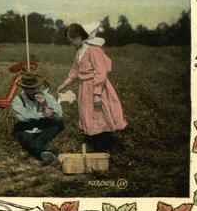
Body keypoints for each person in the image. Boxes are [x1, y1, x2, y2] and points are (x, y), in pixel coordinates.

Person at [57, 23, 126, 152]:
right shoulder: (80, 50)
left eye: (72, 40)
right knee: (89, 117)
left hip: (96, 86)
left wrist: (97, 94)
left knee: (99, 116)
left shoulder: (94, 49)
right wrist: (66, 83)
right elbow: (75, 70)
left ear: (79, 37)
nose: (71, 43)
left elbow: (101, 72)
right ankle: (96, 148)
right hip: (85, 88)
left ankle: (105, 149)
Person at [11, 71, 64, 164]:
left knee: (59, 124)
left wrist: (45, 104)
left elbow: (59, 113)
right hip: (27, 126)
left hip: (43, 125)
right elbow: (22, 117)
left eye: (35, 88)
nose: (34, 91)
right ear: (24, 89)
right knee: (19, 132)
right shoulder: (18, 99)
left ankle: (32, 148)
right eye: (30, 89)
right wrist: (41, 115)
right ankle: (42, 152)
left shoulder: (45, 95)